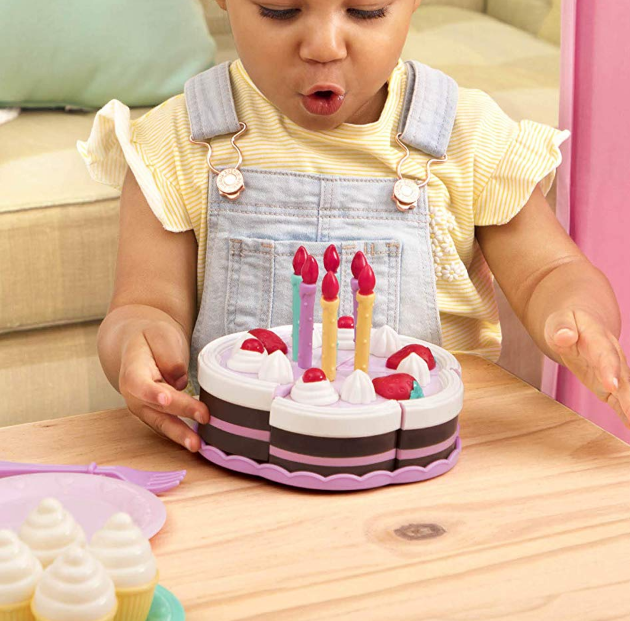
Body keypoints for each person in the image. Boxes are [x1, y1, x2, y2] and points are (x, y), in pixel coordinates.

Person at [78, 0, 629, 451]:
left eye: (366, 10)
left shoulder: (467, 135)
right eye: (279, 9)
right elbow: (144, 305)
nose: (324, 46)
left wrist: (578, 316)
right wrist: (137, 343)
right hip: (241, 459)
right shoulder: (179, 140)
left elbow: (550, 272)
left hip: (428, 459)